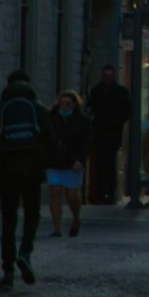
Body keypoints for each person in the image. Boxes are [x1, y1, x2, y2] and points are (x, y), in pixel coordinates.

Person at [0, 69, 55, 290]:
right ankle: (25, 252)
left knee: (9, 220)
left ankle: (8, 271)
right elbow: (50, 141)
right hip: (32, 171)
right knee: (32, 213)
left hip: (6, 172)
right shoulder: (38, 109)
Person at [48, 90, 92, 237]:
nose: (65, 105)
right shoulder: (51, 118)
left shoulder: (82, 120)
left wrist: (80, 160)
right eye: (63, 102)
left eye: (69, 103)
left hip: (73, 162)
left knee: (72, 196)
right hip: (54, 161)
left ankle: (76, 218)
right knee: (55, 193)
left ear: (74, 104)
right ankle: (57, 228)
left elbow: (87, 142)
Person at [86, 64, 132, 205]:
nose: (107, 79)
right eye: (105, 76)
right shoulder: (96, 91)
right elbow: (90, 108)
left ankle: (110, 193)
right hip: (99, 132)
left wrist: (117, 122)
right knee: (100, 164)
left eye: (110, 76)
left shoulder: (121, 92)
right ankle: (100, 194)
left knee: (109, 164)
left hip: (112, 133)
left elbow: (127, 111)